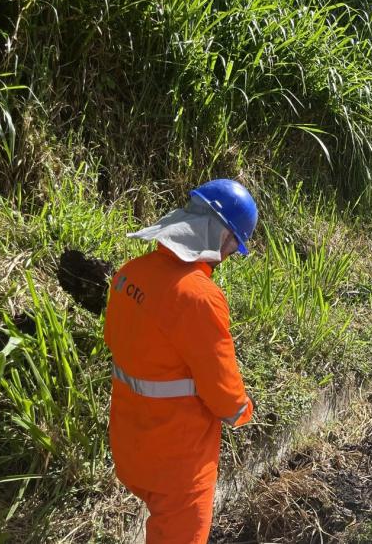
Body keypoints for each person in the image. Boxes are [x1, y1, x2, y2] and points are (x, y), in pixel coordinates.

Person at [104, 179, 258, 543]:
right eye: (236, 244)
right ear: (222, 237)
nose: (232, 253)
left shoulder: (130, 273)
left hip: (130, 445)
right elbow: (223, 393)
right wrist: (242, 410)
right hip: (177, 463)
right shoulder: (198, 296)